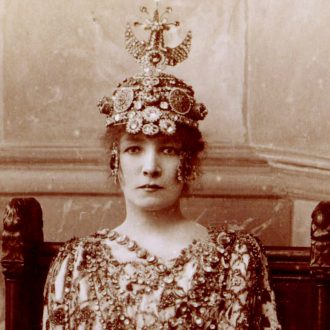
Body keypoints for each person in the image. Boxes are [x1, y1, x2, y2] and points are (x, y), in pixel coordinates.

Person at [42, 4, 281, 329]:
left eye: (167, 150)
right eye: (134, 149)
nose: (150, 167)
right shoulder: (77, 264)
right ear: (116, 161)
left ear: (190, 162)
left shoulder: (234, 259)